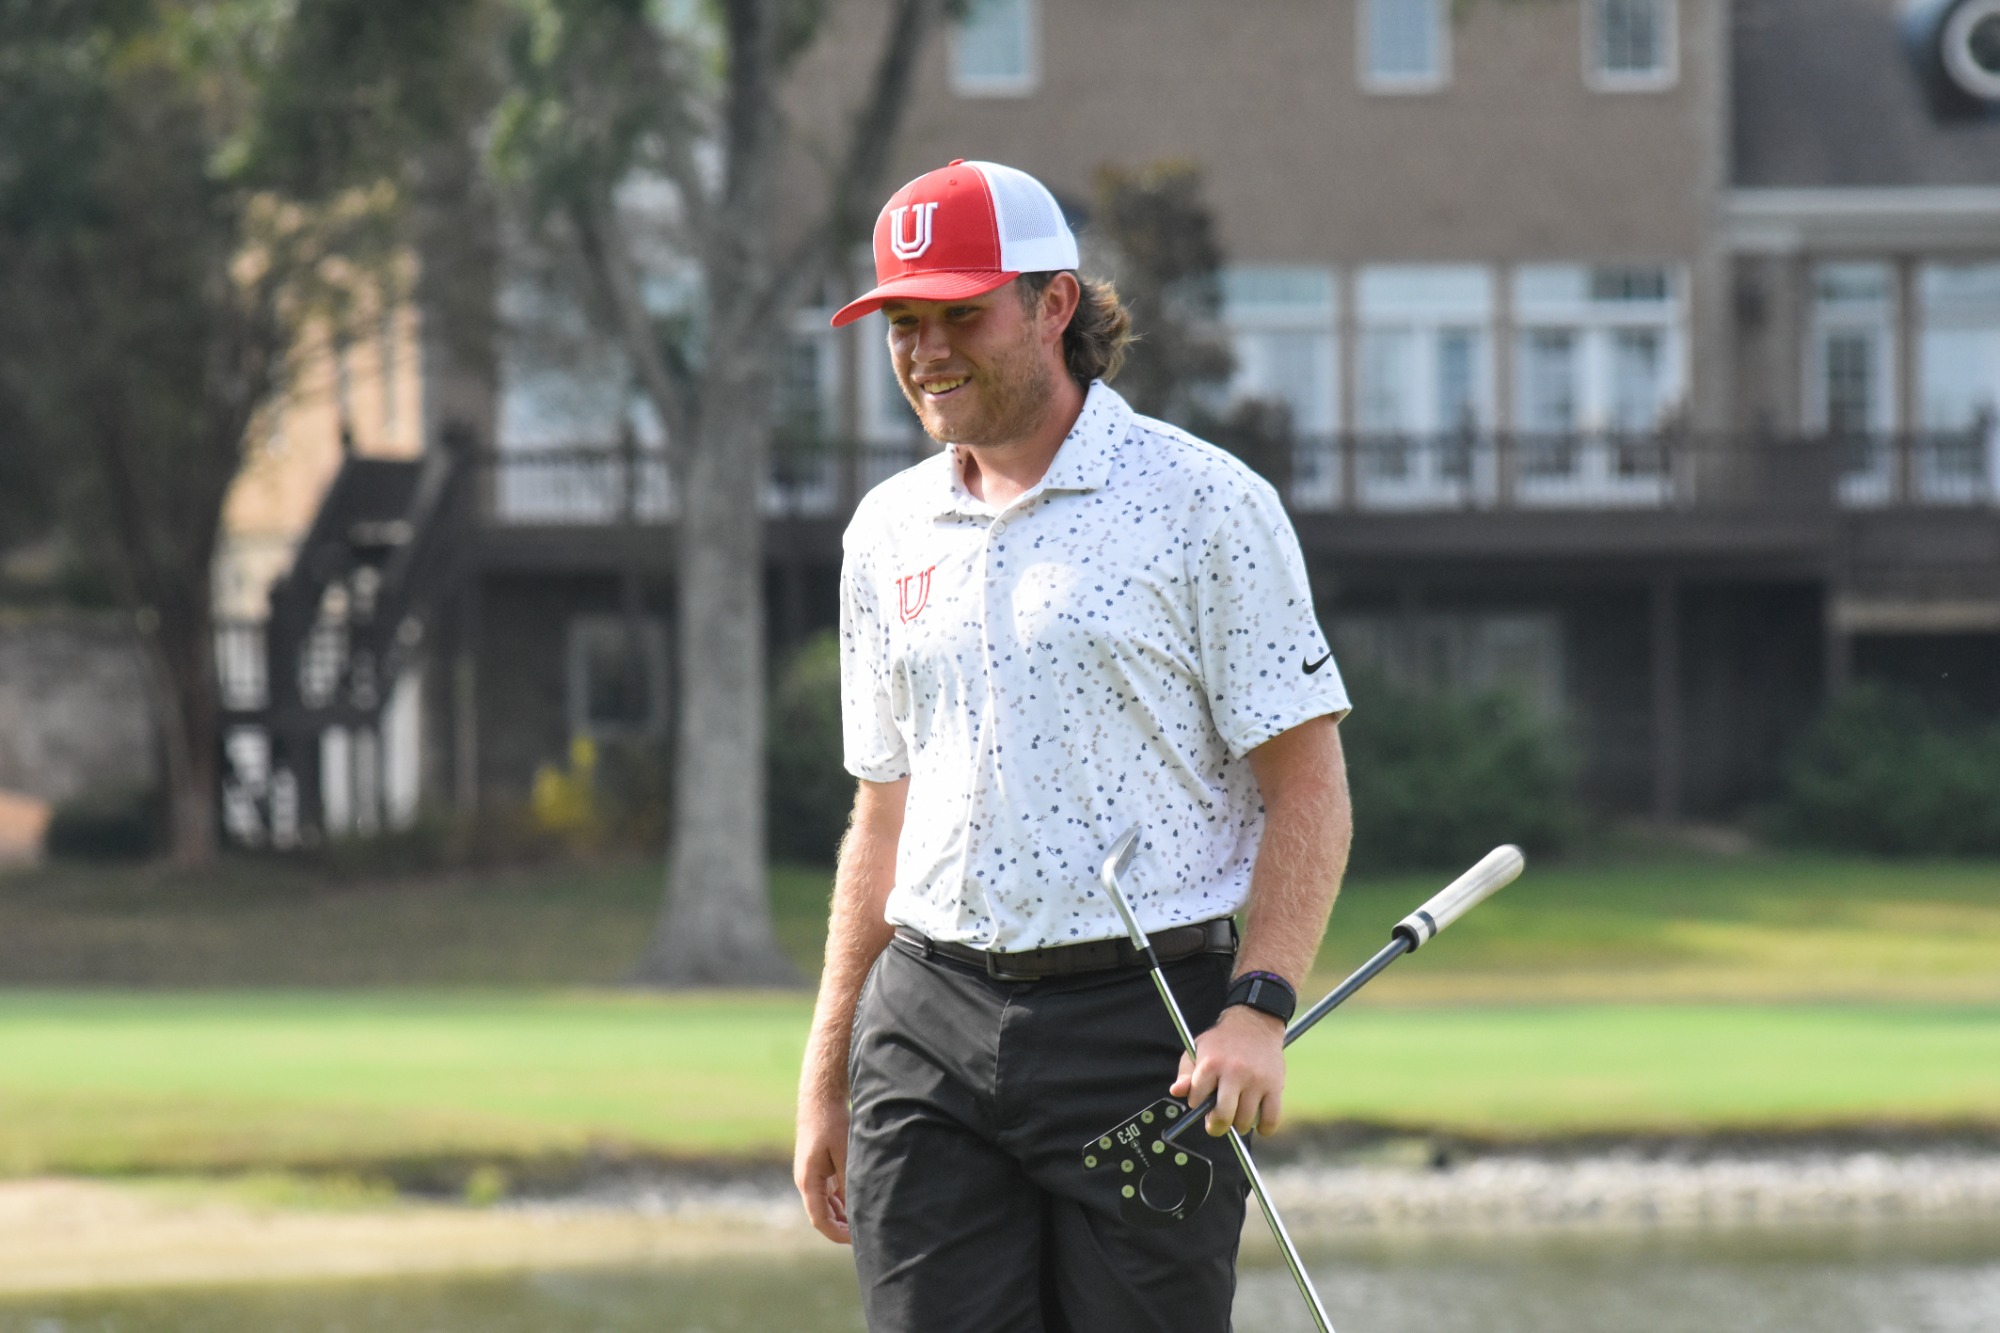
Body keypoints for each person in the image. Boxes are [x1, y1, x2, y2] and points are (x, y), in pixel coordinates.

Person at [793, 159, 1353, 1332]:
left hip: (1145, 1035)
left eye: (960, 314)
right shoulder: (884, 529)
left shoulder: (1204, 504)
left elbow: (1305, 784)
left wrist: (1256, 1006)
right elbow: (879, 813)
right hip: (926, 1028)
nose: (926, 349)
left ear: (1054, 306)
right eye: (904, 320)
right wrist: (830, 1059)